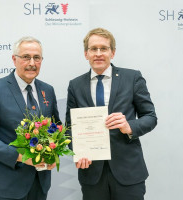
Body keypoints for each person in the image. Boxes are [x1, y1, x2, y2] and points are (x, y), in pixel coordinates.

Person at [65, 28, 157, 200]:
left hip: (128, 172)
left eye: (104, 48)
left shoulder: (132, 78)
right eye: (93, 49)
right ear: (86, 53)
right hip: (92, 174)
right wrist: (77, 150)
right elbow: (69, 128)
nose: (98, 54)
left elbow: (150, 117)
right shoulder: (75, 85)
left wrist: (130, 126)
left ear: (112, 52)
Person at [0, 36, 60, 200]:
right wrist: (20, 157)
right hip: (8, 185)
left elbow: (56, 128)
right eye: (26, 57)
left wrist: (54, 153)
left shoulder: (47, 90)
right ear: (14, 59)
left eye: (37, 58)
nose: (32, 63)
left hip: (40, 184)